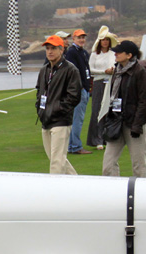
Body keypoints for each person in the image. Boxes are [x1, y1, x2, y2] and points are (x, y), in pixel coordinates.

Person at [99, 40, 146, 178]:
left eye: (119, 52)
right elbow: (113, 96)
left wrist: (137, 125)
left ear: (129, 55)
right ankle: (115, 194)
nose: (115, 54)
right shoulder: (117, 70)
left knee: (138, 165)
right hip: (117, 121)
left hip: (134, 122)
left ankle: (141, 195)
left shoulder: (140, 72)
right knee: (108, 165)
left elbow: (143, 101)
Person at [35, 35, 82, 175]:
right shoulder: (44, 70)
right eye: (48, 48)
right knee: (56, 158)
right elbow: (39, 92)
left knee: (57, 161)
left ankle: (54, 193)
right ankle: (79, 185)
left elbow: (74, 97)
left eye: (53, 48)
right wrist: (40, 109)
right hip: (46, 119)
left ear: (61, 50)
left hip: (61, 121)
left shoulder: (71, 70)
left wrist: (57, 109)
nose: (50, 51)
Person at [87, 26, 118, 150]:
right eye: (103, 40)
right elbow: (91, 69)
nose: (105, 42)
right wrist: (103, 71)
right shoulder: (95, 54)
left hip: (110, 82)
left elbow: (114, 65)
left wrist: (111, 70)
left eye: (107, 40)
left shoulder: (112, 54)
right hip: (99, 83)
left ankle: (107, 137)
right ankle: (97, 139)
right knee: (96, 110)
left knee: (108, 110)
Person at [65, 29, 93, 155]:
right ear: (74, 39)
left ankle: (72, 145)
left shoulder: (83, 52)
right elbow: (72, 71)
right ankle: (75, 146)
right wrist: (80, 87)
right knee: (77, 119)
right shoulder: (72, 52)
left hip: (84, 89)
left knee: (77, 118)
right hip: (79, 90)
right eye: (79, 37)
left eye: (83, 37)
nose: (82, 39)